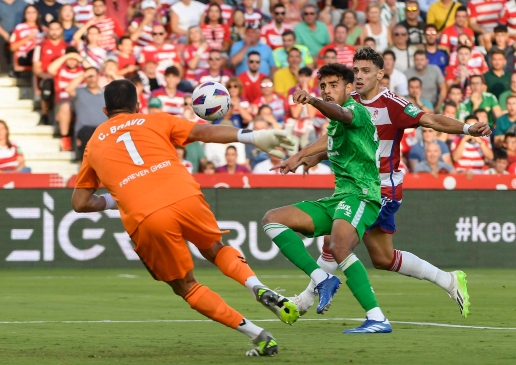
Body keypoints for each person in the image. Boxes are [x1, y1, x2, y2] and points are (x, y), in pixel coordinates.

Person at [72, 78, 298, 356]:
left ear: (105, 111)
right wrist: (252, 136)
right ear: (138, 105)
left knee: (186, 286)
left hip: (146, 216)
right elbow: (205, 134)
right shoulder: (155, 120)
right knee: (216, 250)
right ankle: (258, 287)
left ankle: (259, 335)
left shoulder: (94, 143)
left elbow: (80, 203)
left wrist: (117, 198)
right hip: (184, 193)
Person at [281, 47, 492, 320]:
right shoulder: (349, 101)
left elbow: (430, 119)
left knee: (335, 239)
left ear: (380, 74)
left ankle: (304, 301)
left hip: (382, 189)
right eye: (355, 70)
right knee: (382, 258)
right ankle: (449, 280)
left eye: (366, 71)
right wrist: (310, 156)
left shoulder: (393, 104)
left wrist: (466, 128)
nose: (358, 76)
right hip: (358, 185)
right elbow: (338, 137)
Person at [266, 62, 388, 333]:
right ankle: (322, 279)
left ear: (348, 87)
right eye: (323, 86)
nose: (327, 90)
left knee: (339, 247)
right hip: (340, 197)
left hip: (363, 194)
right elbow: (328, 139)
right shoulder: (336, 123)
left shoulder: (356, 111)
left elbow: (341, 115)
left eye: (334, 85)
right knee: (273, 220)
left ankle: (377, 317)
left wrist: (312, 100)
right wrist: (300, 157)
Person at [48, 47, 87, 151]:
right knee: (66, 106)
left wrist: (80, 59)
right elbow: (50, 69)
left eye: (74, 59)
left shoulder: (83, 71)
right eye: (69, 59)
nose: (72, 61)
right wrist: (66, 56)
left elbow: (94, 70)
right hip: (63, 102)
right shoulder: (60, 70)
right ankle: (65, 138)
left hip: (80, 101)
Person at [65, 67, 106, 159]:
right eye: (88, 77)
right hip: (84, 129)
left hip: (103, 130)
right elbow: (68, 89)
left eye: (93, 76)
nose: (91, 79)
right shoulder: (79, 92)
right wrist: (83, 75)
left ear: (98, 77)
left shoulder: (106, 94)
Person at [0, 0, 27, 77]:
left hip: (19, 32)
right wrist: (5, 34)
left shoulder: (23, 4)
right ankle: (3, 69)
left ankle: (17, 70)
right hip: (2, 33)